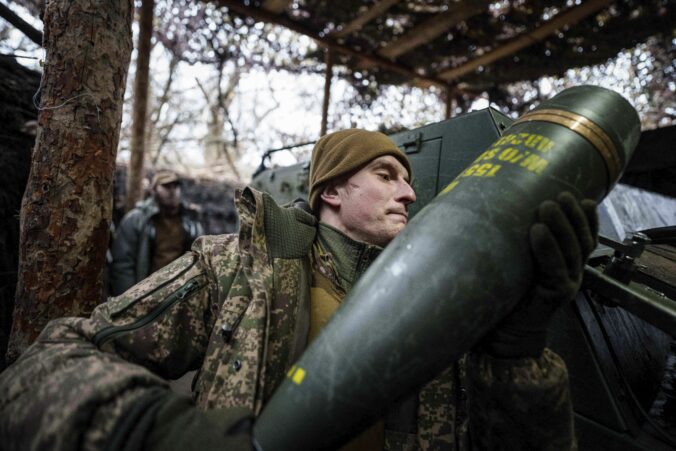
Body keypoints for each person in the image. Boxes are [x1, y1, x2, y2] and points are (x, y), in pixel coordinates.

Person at [0, 129, 597, 450]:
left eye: (409, 180)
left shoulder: (451, 298)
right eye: (387, 175)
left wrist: (516, 355)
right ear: (331, 192)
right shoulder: (238, 269)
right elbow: (52, 359)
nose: (410, 194)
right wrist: (154, 429)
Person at [109, 170, 204, 296]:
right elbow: (123, 263)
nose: (172, 191)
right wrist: (129, 298)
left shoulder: (191, 221)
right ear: (153, 190)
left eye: (176, 186)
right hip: (146, 291)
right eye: (166, 186)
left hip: (179, 293)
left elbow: (199, 260)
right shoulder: (137, 219)